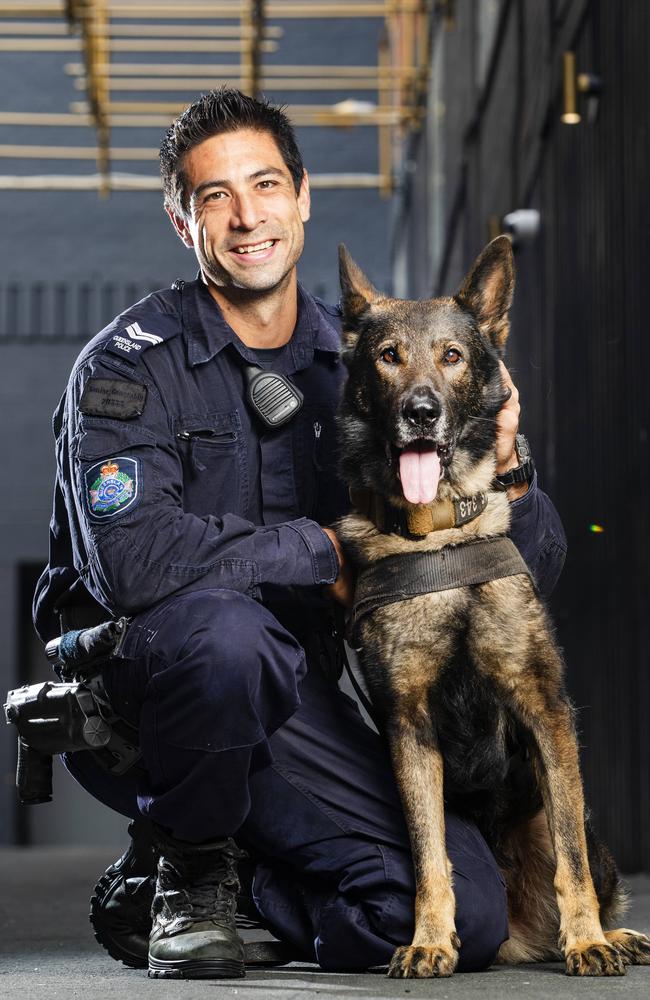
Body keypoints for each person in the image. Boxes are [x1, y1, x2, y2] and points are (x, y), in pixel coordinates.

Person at [32, 88, 567, 980]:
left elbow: (525, 570)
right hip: (151, 694)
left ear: (304, 196)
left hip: (292, 703)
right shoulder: (129, 369)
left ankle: (256, 887)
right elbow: (133, 563)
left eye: (266, 184)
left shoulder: (373, 363)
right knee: (228, 634)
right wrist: (327, 552)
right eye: (214, 196)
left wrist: (505, 468)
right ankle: (185, 865)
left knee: (461, 919)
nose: (248, 217)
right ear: (182, 220)